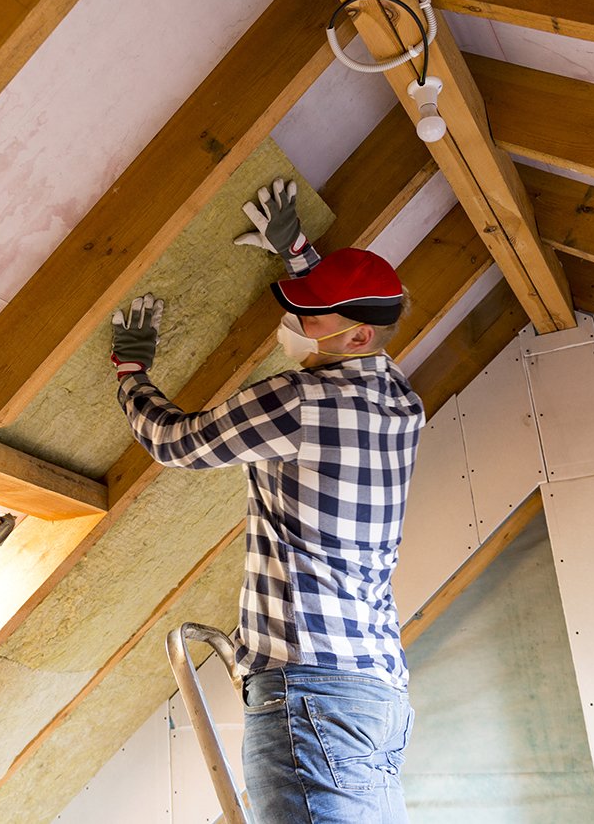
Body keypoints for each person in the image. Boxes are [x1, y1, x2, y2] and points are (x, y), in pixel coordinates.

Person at [110, 179, 425, 823]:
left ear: (358, 337)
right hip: (374, 694)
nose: (296, 326)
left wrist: (130, 375)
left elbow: (176, 443)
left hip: (309, 694)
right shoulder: (401, 401)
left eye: (311, 316)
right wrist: (301, 257)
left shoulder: (299, 401)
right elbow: (355, 316)